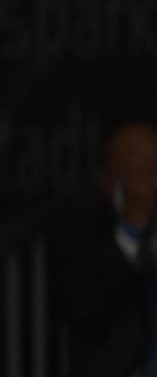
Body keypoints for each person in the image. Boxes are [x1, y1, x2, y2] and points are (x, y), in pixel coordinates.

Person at [56, 117, 157, 377]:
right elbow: (82, 308)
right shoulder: (86, 236)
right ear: (109, 182)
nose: (152, 180)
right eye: (139, 168)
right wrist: (133, 229)